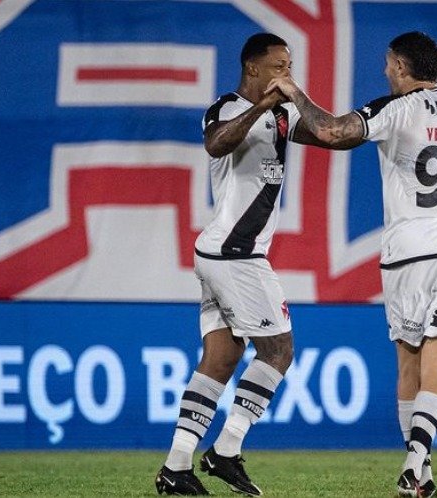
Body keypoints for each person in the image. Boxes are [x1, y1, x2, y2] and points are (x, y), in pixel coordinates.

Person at [267, 31, 437, 497]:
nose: (385, 71)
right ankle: (419, 471)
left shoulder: (397, 108)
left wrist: (293, 95)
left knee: (410, 361)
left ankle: (414, 462)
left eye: (389, 64)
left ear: (404, 68)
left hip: (410, 249)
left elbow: (332, 131)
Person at [154, 32, 345, 496]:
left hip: (221, 254)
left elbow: (332, 135)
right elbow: (216, 144)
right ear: (253, 69)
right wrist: (261, 107)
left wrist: (294, 97)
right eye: (280, 65)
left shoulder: (283, 114)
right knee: (279, 351)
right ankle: (225, 451)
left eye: (291, 65)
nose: (287, 72)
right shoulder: (225, 107)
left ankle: (176, 467)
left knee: (221, 358)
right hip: (236, 254)